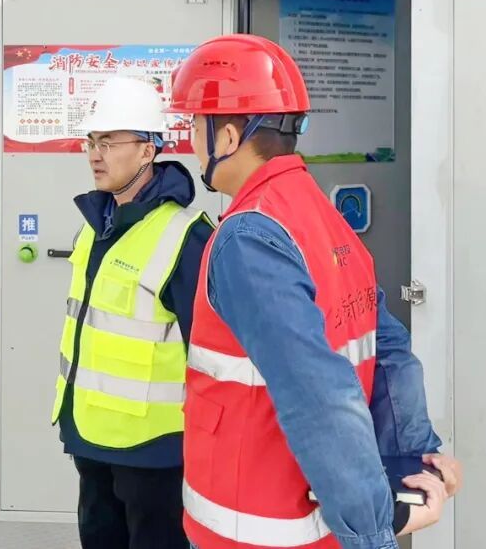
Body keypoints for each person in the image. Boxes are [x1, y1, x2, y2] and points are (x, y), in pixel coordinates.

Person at [167, 35, 462, 549]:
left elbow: (319, 395)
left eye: (195, 125)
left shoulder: (247, 236)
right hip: (311, 526)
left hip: (253, 529)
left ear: (228, 137)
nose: (191, 141)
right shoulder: (318, 212)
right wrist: (412, 458)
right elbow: (390, 351)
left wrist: (372, 532)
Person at [51, 76, 215, 549]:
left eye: (109, 141)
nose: (95, 154)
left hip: (154, 450)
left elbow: (213, 354)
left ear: (148, 150)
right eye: (91, 141)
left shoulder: (187, 237)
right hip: (89, 436)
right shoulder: (95, 226)